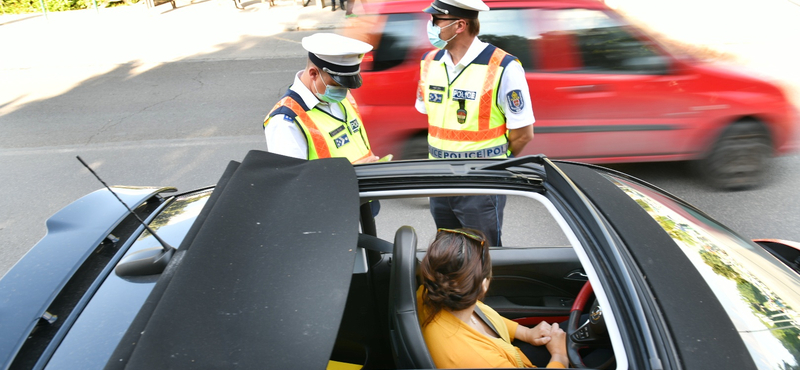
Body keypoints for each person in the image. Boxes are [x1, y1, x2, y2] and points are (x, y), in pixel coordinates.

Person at [416, 0, 534, 247]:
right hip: (439, 180)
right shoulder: (428, 63)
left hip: (480, 183)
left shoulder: (503, 67)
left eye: (437, 21)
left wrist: (495, 164)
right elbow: (429, 115)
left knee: (482, 256)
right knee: (447, 253)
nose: (431, 26)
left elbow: (523, 134)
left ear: (460, 25)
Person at [418, 228, 568, 368]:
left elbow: (488, 319)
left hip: (512, 353)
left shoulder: (432, 292)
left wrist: (526, 334)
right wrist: (560, 355)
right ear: (484, 284)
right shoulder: (481, 361)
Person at [264, 33, 380, 164]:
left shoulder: (343, 97)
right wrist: (351, 172)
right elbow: (293, 180)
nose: (343, 91)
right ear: (313, 73)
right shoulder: (285, 122)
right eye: (337, 84)